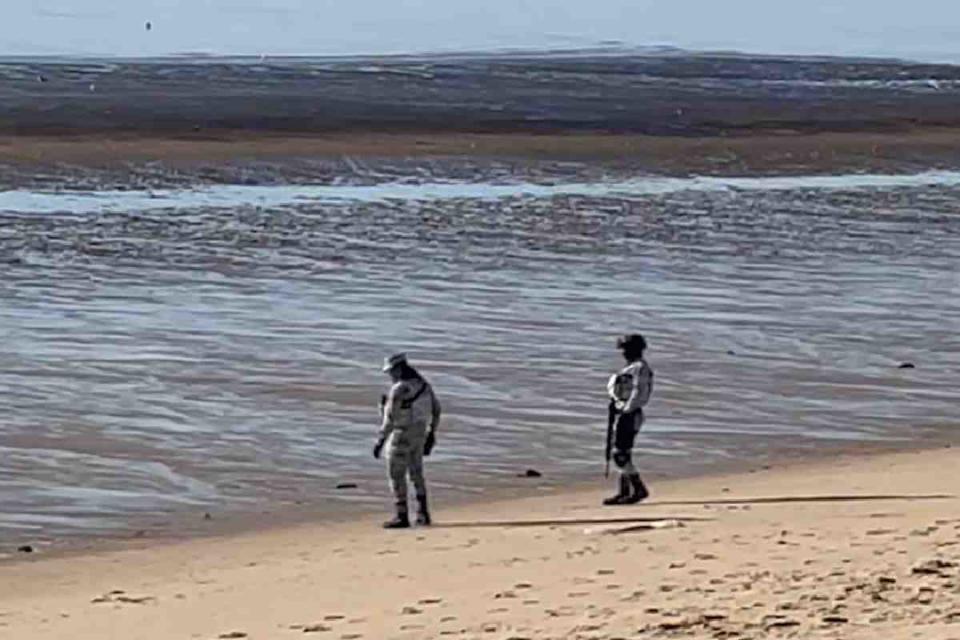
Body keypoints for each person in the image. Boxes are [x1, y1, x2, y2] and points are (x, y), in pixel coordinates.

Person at [373, 353, 442, 529]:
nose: (390, 375)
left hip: (401, 434)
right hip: (420, 433)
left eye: (391, 371)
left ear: (398, 369)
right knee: (416, 473)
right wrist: (432, 433)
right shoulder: (423, 385)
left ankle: (401, 515)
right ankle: (423, 513)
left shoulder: (398, 389)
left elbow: (390, 419)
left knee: (396, 475)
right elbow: (437, 409)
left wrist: (380, 440)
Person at [604, 334, 654, 505]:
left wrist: (627, 410)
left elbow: (640, 392)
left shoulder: (640, 368)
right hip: (624, 413)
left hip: (630, 414)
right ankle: (624, 491)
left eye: (626, 349)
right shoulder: (631, 368)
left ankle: (638, 488)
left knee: (620, 454)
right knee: (622, 452)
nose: (624, 353)